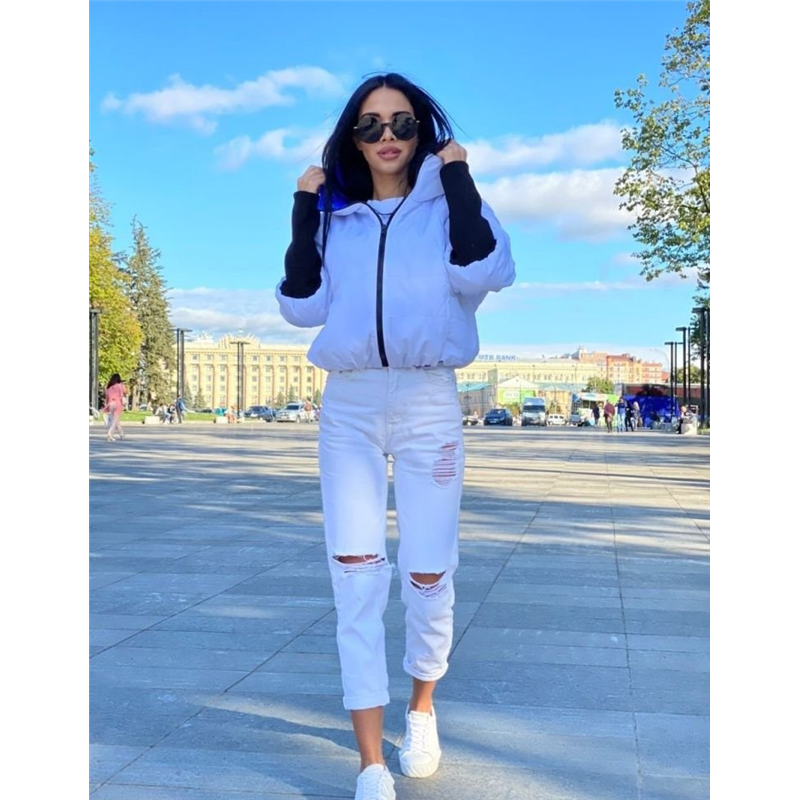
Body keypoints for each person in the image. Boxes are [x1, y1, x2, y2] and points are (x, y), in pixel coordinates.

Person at [277, 73, 515, 800]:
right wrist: (304, 211)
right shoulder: (337, 214)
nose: (387, 137)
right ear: (353, 137)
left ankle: (422, 708)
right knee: (354, 575)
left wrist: (459, 178)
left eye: (402, 123)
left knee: (428, 573)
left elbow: (487, 269)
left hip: (427, 400)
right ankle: (369, 762)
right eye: (371, 125)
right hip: (349, 406)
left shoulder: (449, 205)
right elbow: (301, 307)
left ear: (422, 131)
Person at [103, 374, 128, 442]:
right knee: (115, 420)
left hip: (110, 404)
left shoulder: (108, 388)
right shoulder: (120, 385)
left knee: (116, 419)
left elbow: (107, 399)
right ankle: (110, 434)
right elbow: (126, 391)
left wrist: (107, 406)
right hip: (117, 403)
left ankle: (121, 434)